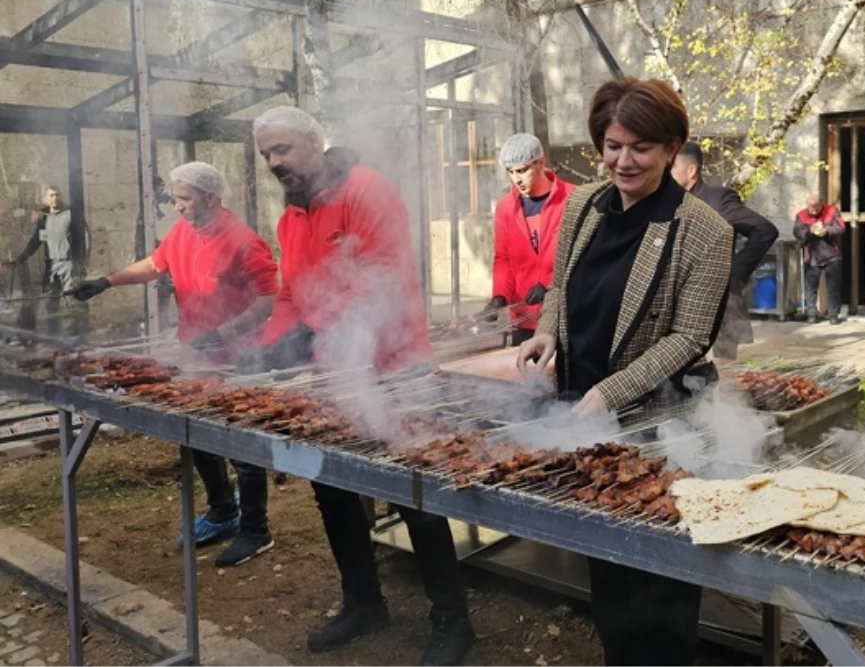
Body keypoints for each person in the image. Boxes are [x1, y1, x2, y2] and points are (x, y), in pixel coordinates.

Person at [516, 77, 733, 667]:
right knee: (607, 562)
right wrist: (546, 331)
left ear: (671, 147)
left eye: (640, 146)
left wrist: (612, 390)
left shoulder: (705, 231)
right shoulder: (584, 203)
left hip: (667, 420)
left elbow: (691, 336)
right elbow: (561, 283)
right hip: (584, 409)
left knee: (661, 574)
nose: (624, 160)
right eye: (613, 144)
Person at [248, 106, 474, 666]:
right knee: (332, 486)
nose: (275, 163)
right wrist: (273, 342)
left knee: (413, 492)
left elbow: (383, 282)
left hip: (396, 369)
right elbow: (290, 293)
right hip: (335, 373)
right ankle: (362, 602)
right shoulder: (289, 219)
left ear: (314, 142)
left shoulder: (365, 190)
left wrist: (308, 332)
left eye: (283, 150)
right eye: (266, 155)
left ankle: (452, 619)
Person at [70, 162, 280, 567]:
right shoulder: (182, 232)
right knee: (194, 433)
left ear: (211, 198)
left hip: (239, 358)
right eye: (177, 198)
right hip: (194, 353)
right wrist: (106, 281)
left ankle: (257, 530)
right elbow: (153, 265)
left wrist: (224, 331)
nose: (177, 206)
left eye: (184, 199)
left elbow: (269, 299)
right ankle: (223, 510)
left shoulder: (245, 242)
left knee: (243, 444)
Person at [671, 141, 778, 360]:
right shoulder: (670, 202)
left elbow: (764, 230)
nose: (666, 174)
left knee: (724, 372)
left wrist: (735, 271)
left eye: (672, 168)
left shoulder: (717, 200)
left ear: (691, 170)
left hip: (719, 304)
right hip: (679, 304)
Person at [480, 133, 576, 345]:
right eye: (511, 172)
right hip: (525, 320)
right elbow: (503, 259)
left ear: (541, 163)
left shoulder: (572, 200)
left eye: (522, 170)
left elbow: (582, 258)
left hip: (565, 318)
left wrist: (551, 286)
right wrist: (499, 296)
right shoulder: (506, 208)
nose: (516, 179)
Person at [17, 186, 88, 330]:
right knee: (50, 301)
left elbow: (83, 239)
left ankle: (75, 334)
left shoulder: (71, 215)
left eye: (57, 195)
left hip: (68, 263)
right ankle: (53, 333)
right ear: (45, 199)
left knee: (72, 300)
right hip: (50, 265)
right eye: (51, 195)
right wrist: (24, 256)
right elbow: (37, 239)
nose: (55, 198)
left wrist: (80, 262)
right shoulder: (44, 219)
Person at [793, 194, 844, 324]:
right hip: (811, 256)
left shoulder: (832, 211)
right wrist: (810, 231)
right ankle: (811, 314)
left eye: (817, 208)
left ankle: (833, 315)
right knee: (810, 287)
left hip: (832, 254)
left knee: (833, 287)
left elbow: (841, 228)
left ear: (822, 204)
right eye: (811, 208)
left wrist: (826, 230)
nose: (814, 211)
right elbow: (797, 232)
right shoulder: (801, 215)